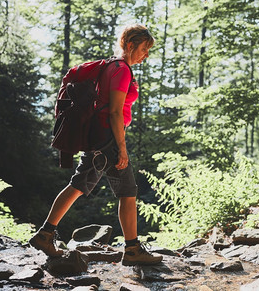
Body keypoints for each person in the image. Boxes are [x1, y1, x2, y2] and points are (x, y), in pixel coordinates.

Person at [29, 24, 163, 266]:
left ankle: (45, 235)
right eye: (144, 49)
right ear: (130, 45)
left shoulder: (111, 66)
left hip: (98, 136)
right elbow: (114, 112)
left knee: (83, 184)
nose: (146, 55)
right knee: (127, 191)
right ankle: (132, 250)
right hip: (108, 138)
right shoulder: (121, 70)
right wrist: (121, 148)